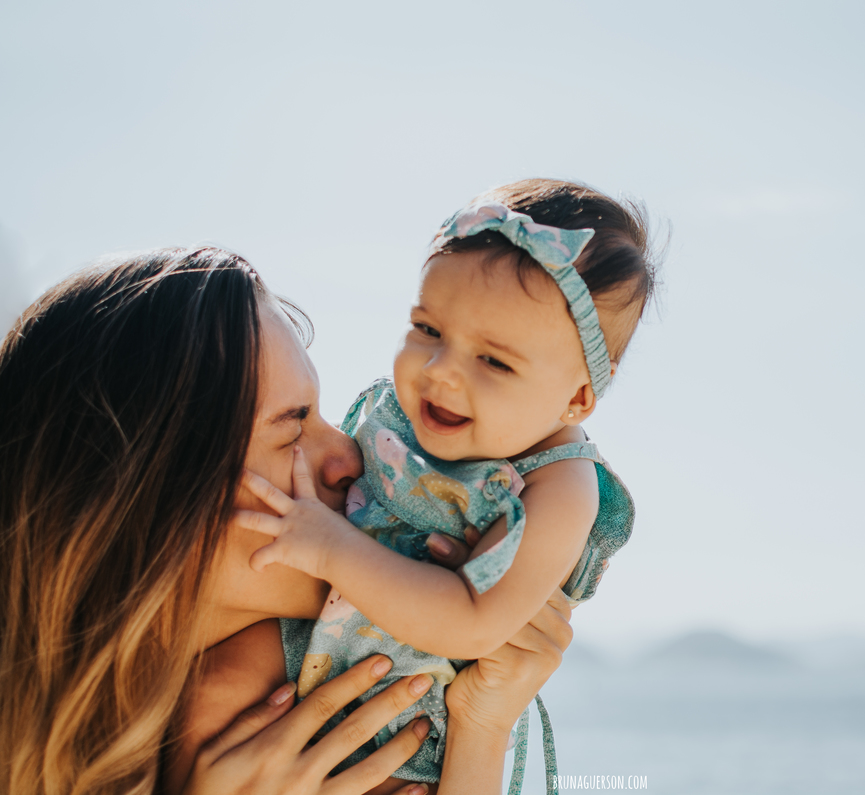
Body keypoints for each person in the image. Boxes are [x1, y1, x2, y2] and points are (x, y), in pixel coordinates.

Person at [0, 247, 573, 795]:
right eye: (293, 426)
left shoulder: (323, 698)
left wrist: (481, 724)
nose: (352, 459)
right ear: (149, 497)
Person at [233, 180, 659, 784]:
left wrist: (330, 547)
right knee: (216, 681)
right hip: (312, 634)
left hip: (406, 705)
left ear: (579, 396)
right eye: (428, 330)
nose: (441, 372)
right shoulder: (413, 417)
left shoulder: (564, 487)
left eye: (494, 361)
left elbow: (472, 622)